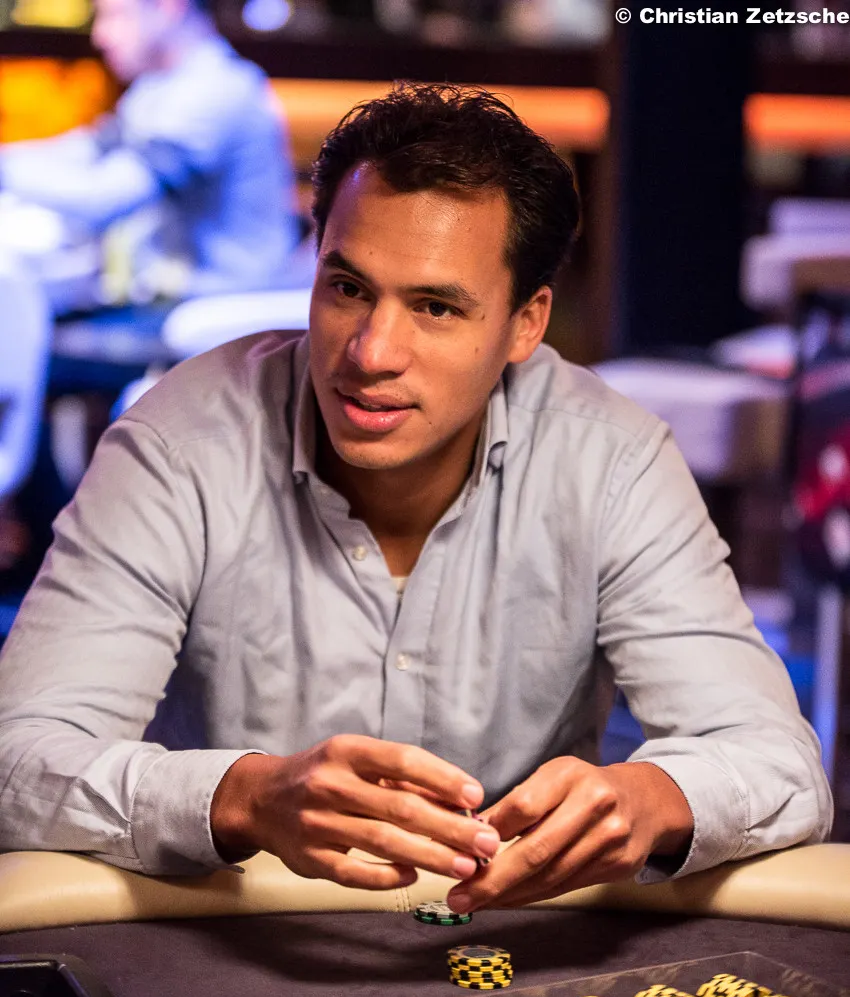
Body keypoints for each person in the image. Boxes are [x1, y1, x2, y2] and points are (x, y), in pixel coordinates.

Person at [0, 84, 832, 912]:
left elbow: (779, 765)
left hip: (513, 935)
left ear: (525, 324)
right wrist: (243, 797)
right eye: (348, 289)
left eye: (436, 307)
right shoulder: (178, 443)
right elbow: (17, 759)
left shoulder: (611, 460)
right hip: (230, 928)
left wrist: (649, 800)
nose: (371, 352)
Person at [0, 0, 300, 311]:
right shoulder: (157, 86)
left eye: (114, 16)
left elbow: (104, 199)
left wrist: (5, 172)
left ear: (169, 8)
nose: (99, 36)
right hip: (170, 298)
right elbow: (88, 148)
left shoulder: (216, 90)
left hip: (217, 310)